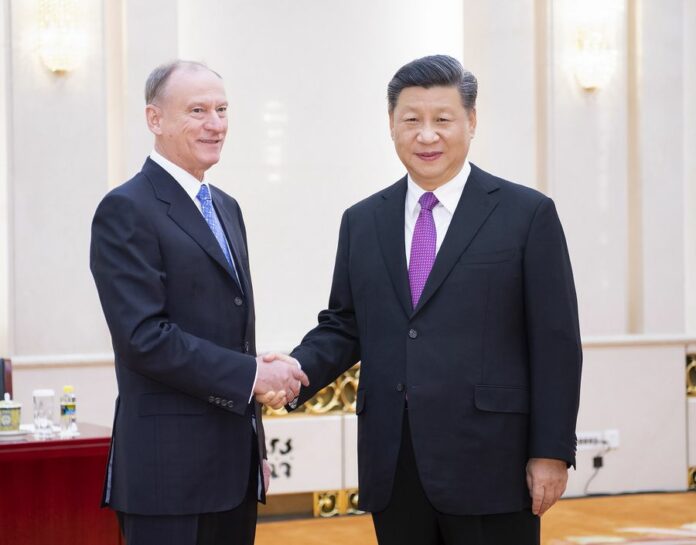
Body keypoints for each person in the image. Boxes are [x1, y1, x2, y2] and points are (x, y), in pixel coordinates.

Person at [268, 55, 582, 545]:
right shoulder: (363, 220)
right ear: (391, 125)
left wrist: (552, 451)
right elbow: (345, 324)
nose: (427, 135)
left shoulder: (527, 215)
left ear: (471, 122)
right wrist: (295, 369)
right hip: (395, 465)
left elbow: (556, 343)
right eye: (411, 120)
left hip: (493, 464)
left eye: (443, 119)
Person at [90, 60, 307, 545]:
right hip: (166, 478)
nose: (216, 124)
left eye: (222, 109)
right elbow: (144, 338)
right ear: (155, 119)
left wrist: (257, 450)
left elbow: (233, 332)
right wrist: (254, 375)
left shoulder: (226, 207)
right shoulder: (126, 209)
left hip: (234, 473)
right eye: (197, 110)